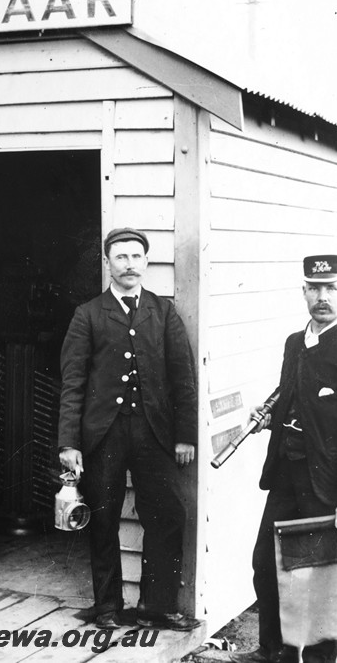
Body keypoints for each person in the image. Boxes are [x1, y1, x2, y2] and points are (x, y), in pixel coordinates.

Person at [231, 255, 337, 663]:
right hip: (286, 476)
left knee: (320, 582)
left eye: (331, 288)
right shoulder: (295, 343)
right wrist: (268, 420)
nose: (322, 297)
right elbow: (292, 395)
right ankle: (272, 653)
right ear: (303, 292)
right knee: (266, 566)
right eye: (314, 288)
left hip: (327, 485)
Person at [58, 227, 201, 632]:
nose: (129, 264)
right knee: (102, 518)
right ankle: (107, 607)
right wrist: (69, 442)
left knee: (168, 513)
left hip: (154, 433)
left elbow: (183, 379)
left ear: (147, 262)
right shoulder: (87, 314)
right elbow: (73, 383)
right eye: (120, 257)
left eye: (136, 256)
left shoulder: (163, 311)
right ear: (107, 264)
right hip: (103, 435)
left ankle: (157, 607)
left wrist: (185, 435)